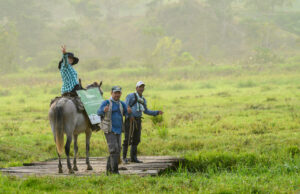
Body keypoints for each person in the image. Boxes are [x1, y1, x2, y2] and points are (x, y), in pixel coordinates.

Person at [123, 81, 163, 164]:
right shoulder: (130, 96)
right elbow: (125, 106)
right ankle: (124, 158)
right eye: (140, 87)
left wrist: (156, 112)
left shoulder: (143, 99)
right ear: (136, 88)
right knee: (127, 139)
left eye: (142, 87)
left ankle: (133, 158)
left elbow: (146, 111)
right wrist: (129, 116)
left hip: (138, 120)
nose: (141, 88)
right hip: (130, 120)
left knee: (136, 139)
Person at [97, 86, 131, 174]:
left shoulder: (122, 104)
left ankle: (108, 170)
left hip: (118, 130)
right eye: (115, 93)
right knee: (113, 149)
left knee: (117, 149)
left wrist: (129, 111)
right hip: (109, 129)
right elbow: (99, 112)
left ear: (121, 94)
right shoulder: (106, 102)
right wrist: (104, 110)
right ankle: (115, 171)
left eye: (118, 93)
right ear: (111, 93)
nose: (117, 95)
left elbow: (126, 114)